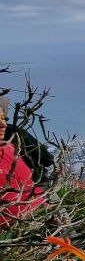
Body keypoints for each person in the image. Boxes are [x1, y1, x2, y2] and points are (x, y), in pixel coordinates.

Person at [0, 95, 45, 226]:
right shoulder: (10, 146)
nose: (3, 125)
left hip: (37, 213)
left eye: (4, 119)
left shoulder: (9, 147)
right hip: (19, 224)